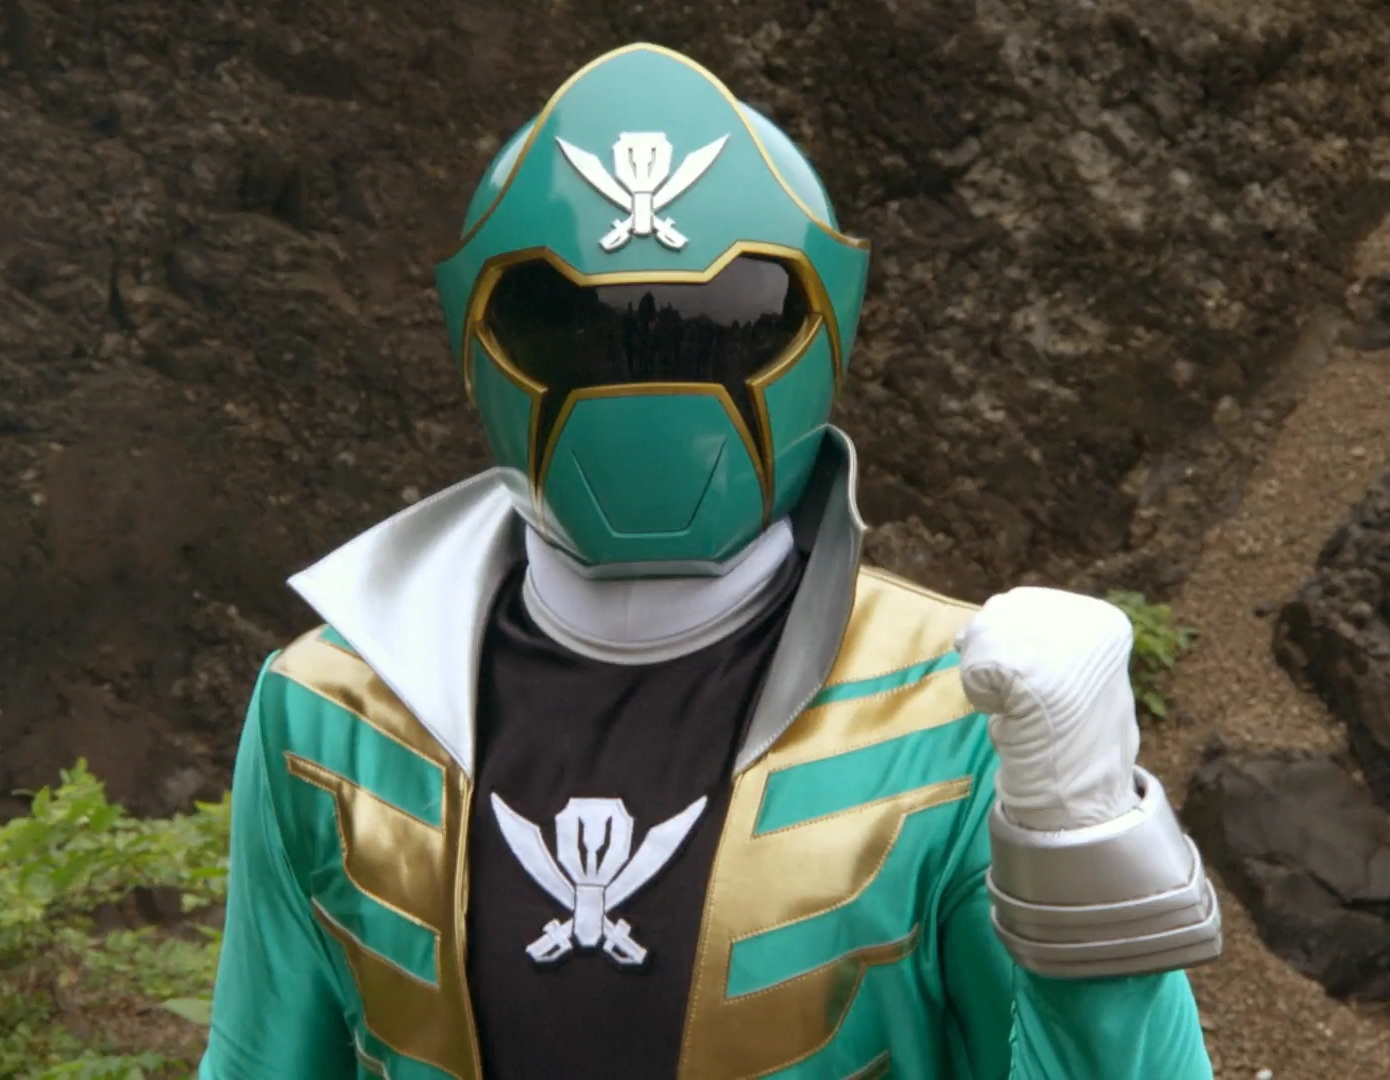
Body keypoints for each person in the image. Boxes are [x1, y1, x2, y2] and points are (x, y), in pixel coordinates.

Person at [199, 42, 1220, 1080]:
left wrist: (1083, 839)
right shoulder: (334, 713)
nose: (648, 374)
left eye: (717, 326)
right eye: (583, 329)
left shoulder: (961, 712)